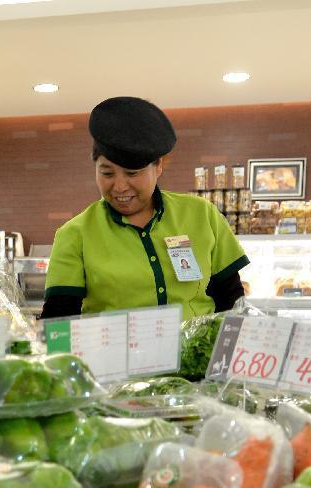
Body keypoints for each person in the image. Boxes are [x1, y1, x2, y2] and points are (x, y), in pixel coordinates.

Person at [42, 96, 249, 320]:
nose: (120, 186)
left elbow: (231, 300)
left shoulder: (201, 214)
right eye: (107, 173)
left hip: (199, 354)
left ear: (158, 166)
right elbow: (58, 321)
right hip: (112, 354)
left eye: (132, 173)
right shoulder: (75, 234)